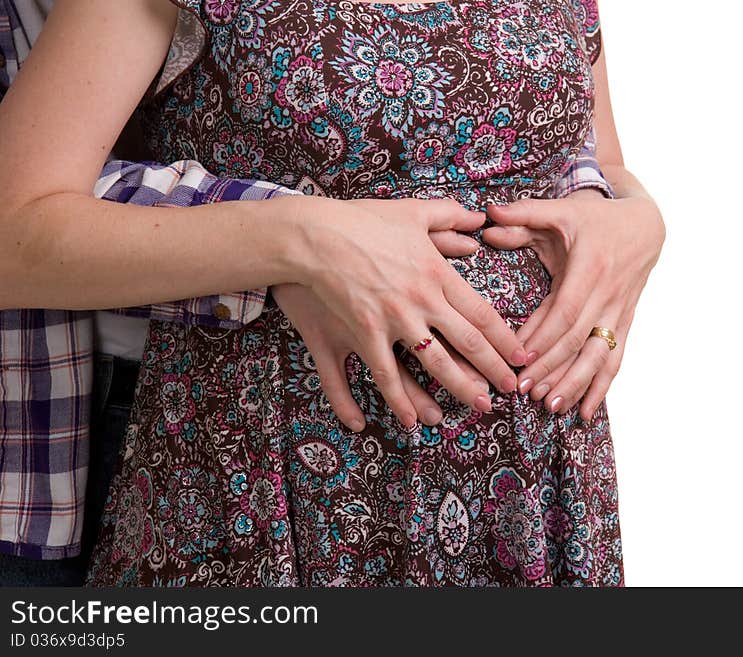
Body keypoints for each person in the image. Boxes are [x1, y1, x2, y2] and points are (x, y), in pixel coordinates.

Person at [0, 0, 664, 586]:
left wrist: (635, 217)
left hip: (536, 486)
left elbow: (591, 156)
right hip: (273, 482)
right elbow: (16, 225)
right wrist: (303, 238)